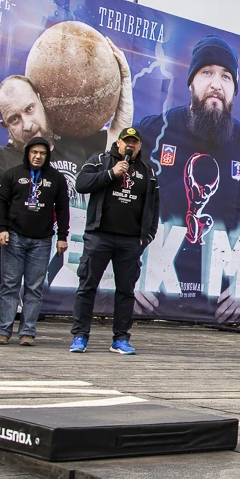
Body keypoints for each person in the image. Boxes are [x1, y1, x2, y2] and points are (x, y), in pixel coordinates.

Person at [135, 35, 240, 322]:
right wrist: (124, 272)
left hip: (219, 322)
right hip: (148, 315)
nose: (216, 84)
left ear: (234, 89)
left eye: (226, 76)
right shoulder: (152, 131)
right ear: (191, 82)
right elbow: (110, 198)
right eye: (207, 72)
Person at [0, 43, 134, 201]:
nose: (27, 125)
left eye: (30, 109)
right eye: (14, 119)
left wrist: (125, 79)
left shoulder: (76, 145)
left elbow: (118, 135)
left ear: (40, 101)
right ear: (5, 125)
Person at [66, 128, 159, 355]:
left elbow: (154, 206)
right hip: (100, 235)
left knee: (126, 291)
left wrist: (148, 235)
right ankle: (80, 336)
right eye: (127, 141)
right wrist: (111, 173)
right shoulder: (100, 161)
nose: (131, 145)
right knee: (87, 286)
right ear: (118, 143)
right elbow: (81, 184)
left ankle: (120, 339)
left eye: (134, 142)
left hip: (130, 241)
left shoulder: (147, 171)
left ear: (139, 146)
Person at [0, 137, 69, 345]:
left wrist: (62, 236)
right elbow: (0, 203)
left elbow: (62, 208)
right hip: (13, 237)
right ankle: (3, 330)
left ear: (47, 155)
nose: (38, 156)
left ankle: (27, 332)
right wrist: (1, 229)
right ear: (27, 153)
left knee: (34, 288)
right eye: (34, 152)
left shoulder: (57, 178)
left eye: (42, 153)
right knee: (9, 285)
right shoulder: (12, 174)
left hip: (42, 240)